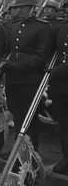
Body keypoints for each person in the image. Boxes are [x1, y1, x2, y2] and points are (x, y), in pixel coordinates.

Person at [3, 0, 53, 151]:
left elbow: (41, 55)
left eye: (22, 7)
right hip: (13, 79)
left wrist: (18, 66)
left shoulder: (42, 27)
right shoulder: (13, 25)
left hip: (30, 80)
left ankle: (30, 154)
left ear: (32, 8)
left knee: (29, 118)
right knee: (17, 115)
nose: (18, 10)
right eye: (18, 7)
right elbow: (8, 50)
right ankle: (19, 151)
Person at [47, 19, 68, 174]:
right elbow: (51, 51)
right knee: (64, 123)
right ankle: (66, 157)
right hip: (61, 85)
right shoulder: (61, 28)